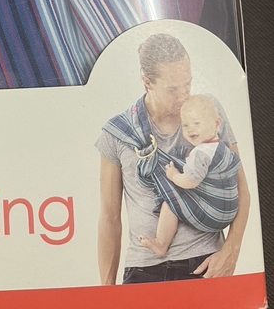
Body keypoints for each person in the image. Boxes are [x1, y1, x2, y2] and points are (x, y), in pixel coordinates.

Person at [96, 33, 250, 285]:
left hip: (204, 263)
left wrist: (230, 252)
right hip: (142, 269)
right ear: (147, 82)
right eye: (173, 89)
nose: (183, 96)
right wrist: (106, 290)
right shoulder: (117, 132)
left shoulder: (206, 111)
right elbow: (110, 217)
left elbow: (240, 187)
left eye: (187, 85)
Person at [139, 94, 240, 257]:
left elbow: (190, 182)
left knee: (170, 201)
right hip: (229, 210)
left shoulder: (200, 153)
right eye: (185, 125)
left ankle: (161, 243)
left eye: (196, 123)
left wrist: (173, 175)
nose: (190, 129)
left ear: (217, 124)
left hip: (213, 214)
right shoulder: (222, 149)